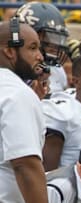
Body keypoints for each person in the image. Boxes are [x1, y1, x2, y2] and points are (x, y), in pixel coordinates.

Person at [0, 19, 48, 202]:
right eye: (33, 48)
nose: (40, 56)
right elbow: (25, 163)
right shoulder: (16, 93)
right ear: (10, 51)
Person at [16, 2, 70, 94]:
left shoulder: (57, 70)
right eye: (49, 38)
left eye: (58, 39)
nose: (54, 46)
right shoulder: (12, 70)